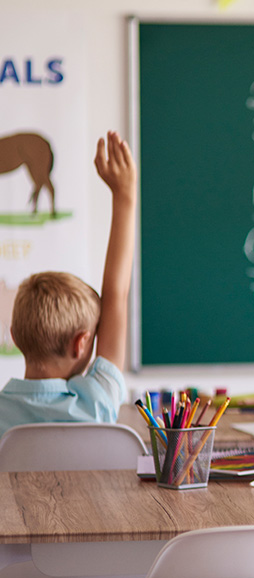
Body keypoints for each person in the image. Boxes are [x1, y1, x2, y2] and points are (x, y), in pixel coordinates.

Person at [0, 132, 136, 439]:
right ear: (81, 343)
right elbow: (117, 294)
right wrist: (124, 195)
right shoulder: (97, 402)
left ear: (14, 336)